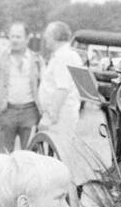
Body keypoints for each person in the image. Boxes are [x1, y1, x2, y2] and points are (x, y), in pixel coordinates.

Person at [37, 21, 86, 181]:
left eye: (47, 36)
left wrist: (49, 116)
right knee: (62, 154)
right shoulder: (68, 55)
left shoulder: (63, 57)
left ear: (55, 37)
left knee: (61, 155)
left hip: (61, 116)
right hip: (66, 113)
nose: (46, 40)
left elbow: (62, 89)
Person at [0, 23, 42, 153]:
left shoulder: (37, 60)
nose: (14, 40)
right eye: (12, 36)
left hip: (30, 112)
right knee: (4, 155)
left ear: (27, 39)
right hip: (8, 111)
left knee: (30, 155)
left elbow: (44, 87)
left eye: (18, 37)